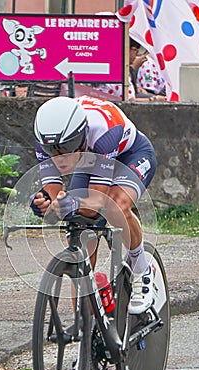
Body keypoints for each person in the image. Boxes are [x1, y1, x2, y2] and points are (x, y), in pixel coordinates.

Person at [30, 95, 157, 317]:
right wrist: (44, 201)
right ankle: (86, 322)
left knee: (115, 205)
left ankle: (141, 268)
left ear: (82, 135)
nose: (60, 156)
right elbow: (52, 189)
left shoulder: (104, 132)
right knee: (79, 236)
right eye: (53, 150)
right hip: (90, 162)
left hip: (131, 155)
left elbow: (97, 203)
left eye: (67, 147)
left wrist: (73, 204)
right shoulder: (47, 139)